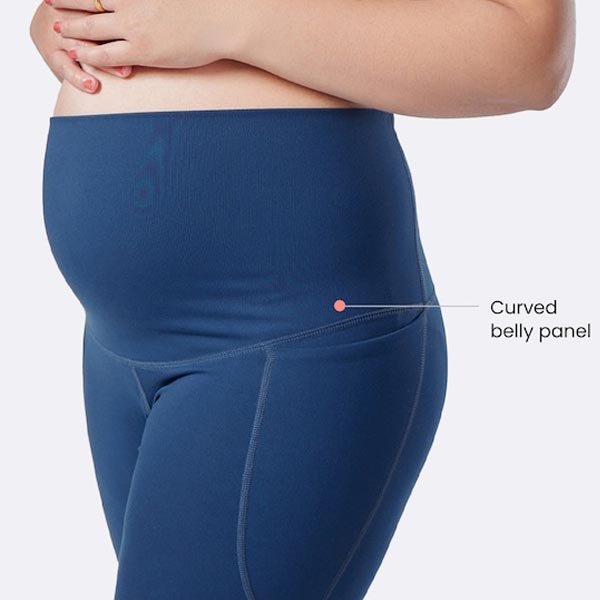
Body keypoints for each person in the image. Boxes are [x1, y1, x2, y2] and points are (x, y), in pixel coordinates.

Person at [30, 1, 576, 598]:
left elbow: (529, 56)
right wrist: (66, 24)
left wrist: (224, 21)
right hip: (116, 339)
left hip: (290, 331)